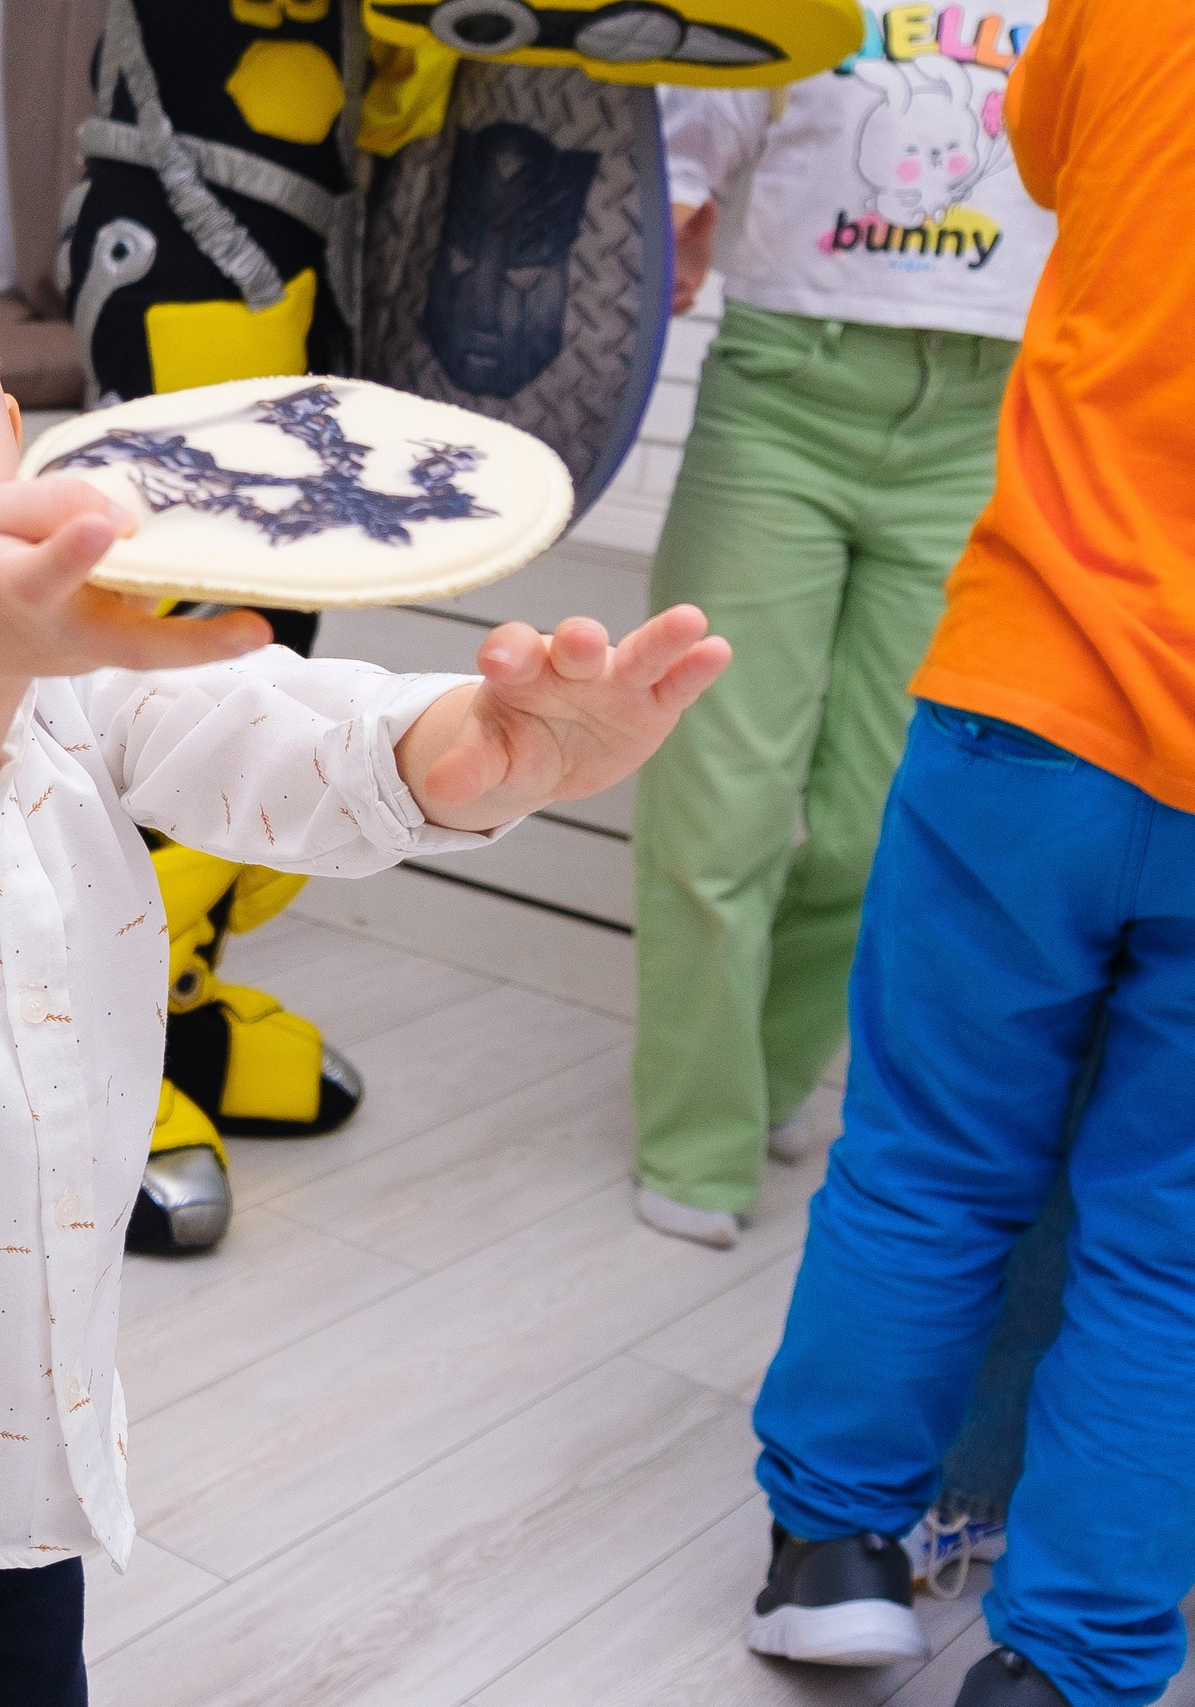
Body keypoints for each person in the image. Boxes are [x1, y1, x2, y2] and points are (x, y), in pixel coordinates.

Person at [0, 135, 730, 1704]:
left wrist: (463, 750)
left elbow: (264, 726)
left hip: (20, 1466)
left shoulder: (70, 678)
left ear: (21, 434)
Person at [739, 0, 1195, 1699]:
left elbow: (1046, 145)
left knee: (930, 1151)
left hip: (1039, 701)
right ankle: (1075, 1658)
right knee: (1175, 1242)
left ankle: (836, 1545)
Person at [628, 15, 1055, 1249]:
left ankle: (759, 1075)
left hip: (988, 416)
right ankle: (694, 1137)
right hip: (779, 401)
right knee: (719, 793)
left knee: (884, 819)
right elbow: (673, 166)